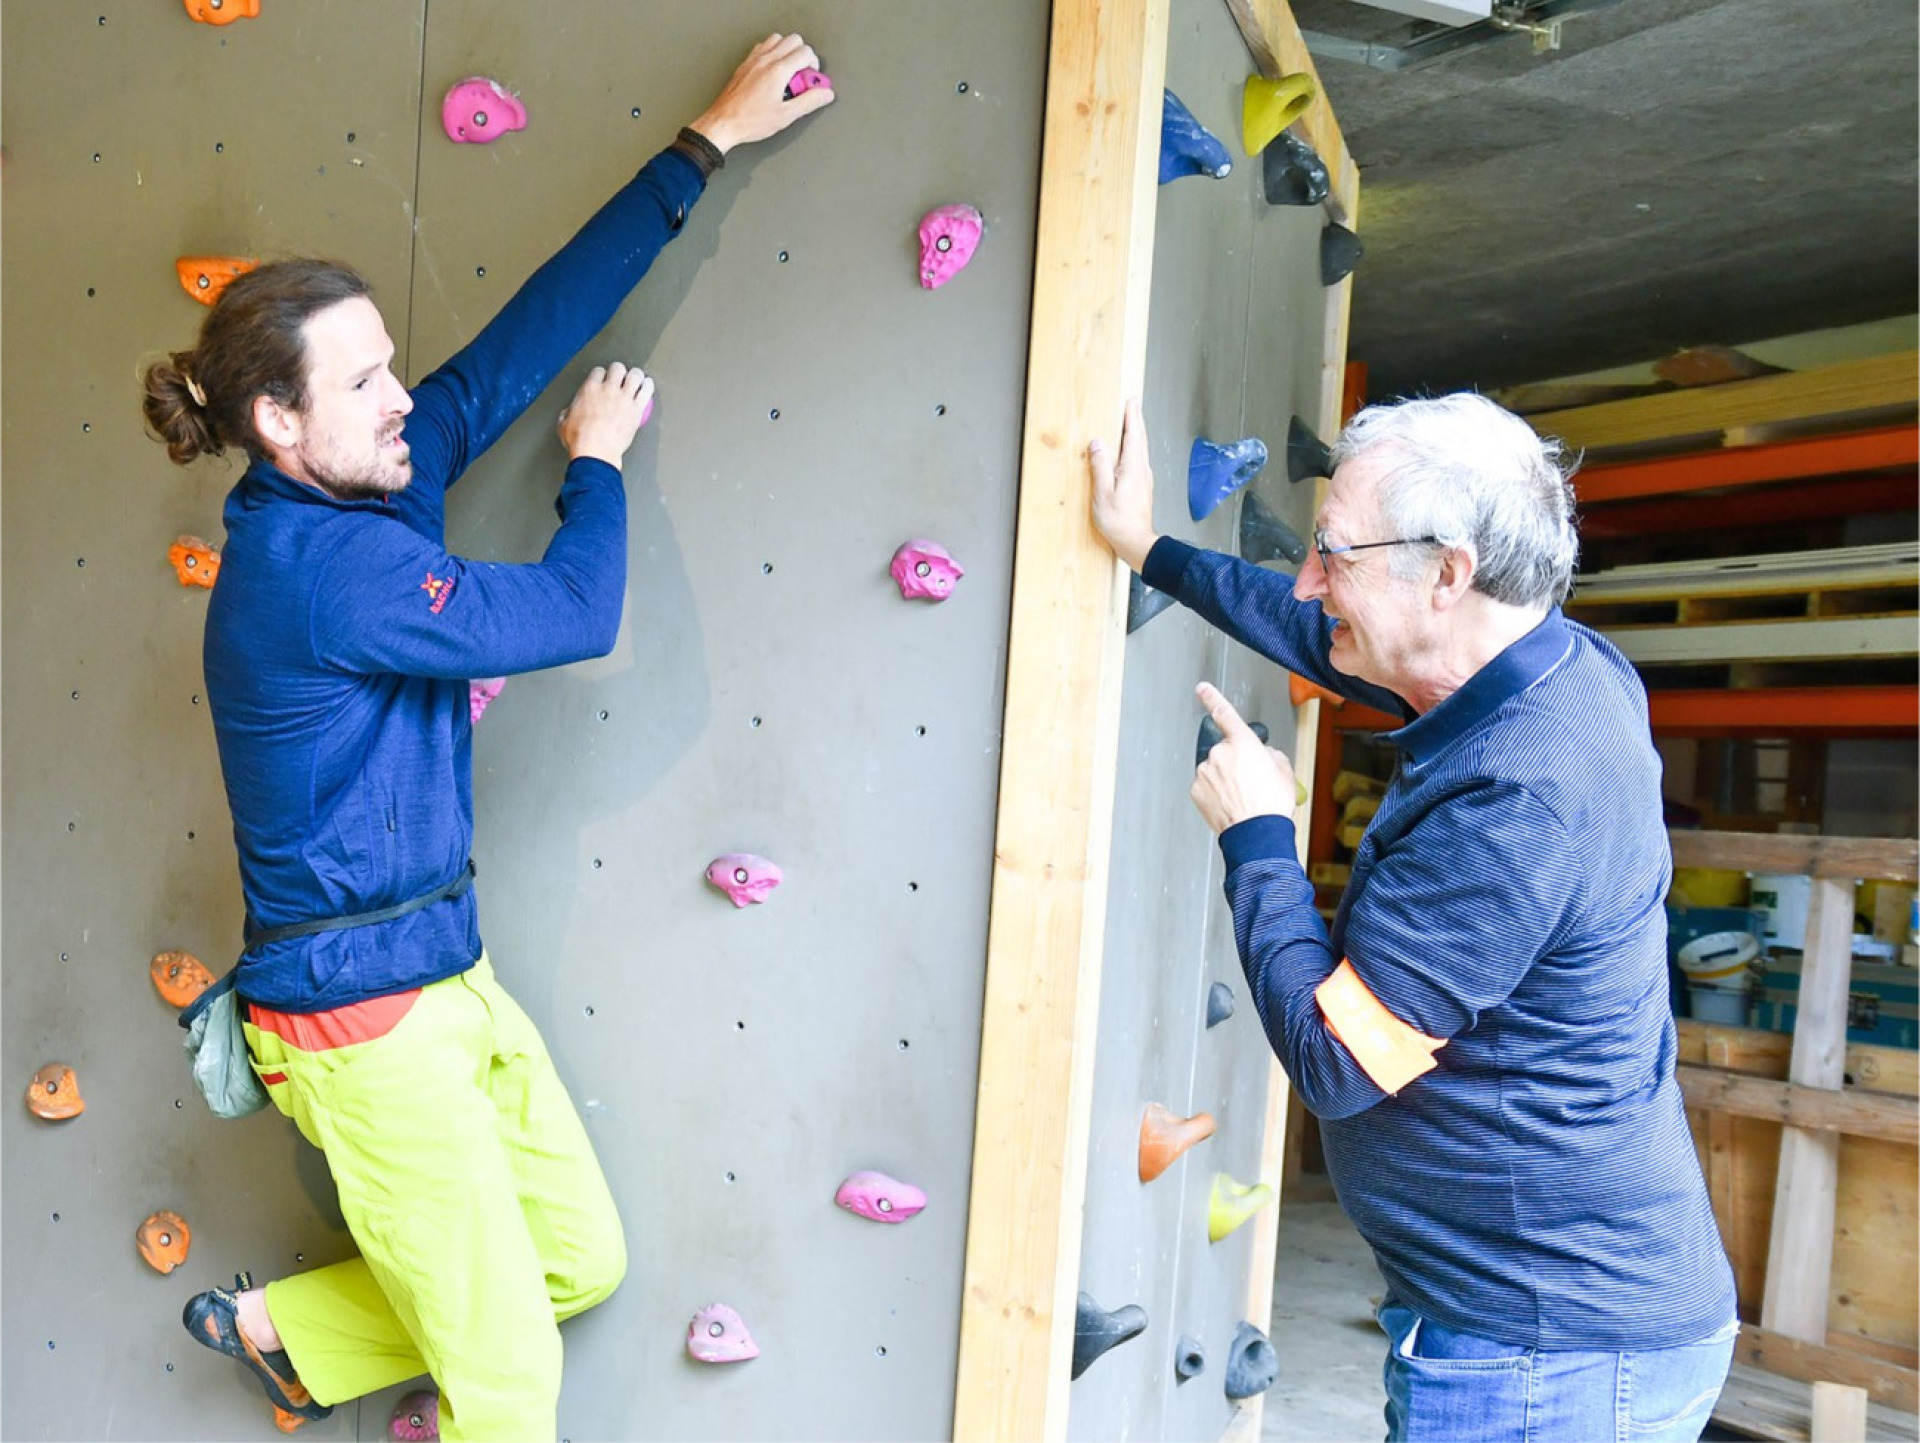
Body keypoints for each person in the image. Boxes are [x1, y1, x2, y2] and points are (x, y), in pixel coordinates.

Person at [139, 35, 832, 1441]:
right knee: (511, 1390)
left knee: (582, 1259)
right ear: (278, 422)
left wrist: (704, 141)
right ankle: (309, 1336)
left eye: (392, 364)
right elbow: (575, 609)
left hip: (444, 975)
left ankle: (289, 1329)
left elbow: (523, 336)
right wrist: (593, 467)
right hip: (362, 1024)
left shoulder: (373, 485)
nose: (405, 397)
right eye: (366, 383)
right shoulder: (322, 573)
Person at [1089, 394, 1738, 1443]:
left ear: (1447, 572)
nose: (1310, 580)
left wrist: (1258, 834)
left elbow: (1338, 1060)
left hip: (1548, 1353)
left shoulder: (1522, 795)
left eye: (1334, 554)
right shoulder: (1538, 669)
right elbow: (1326, 632)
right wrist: (1149, 549)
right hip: (1534, 1325)